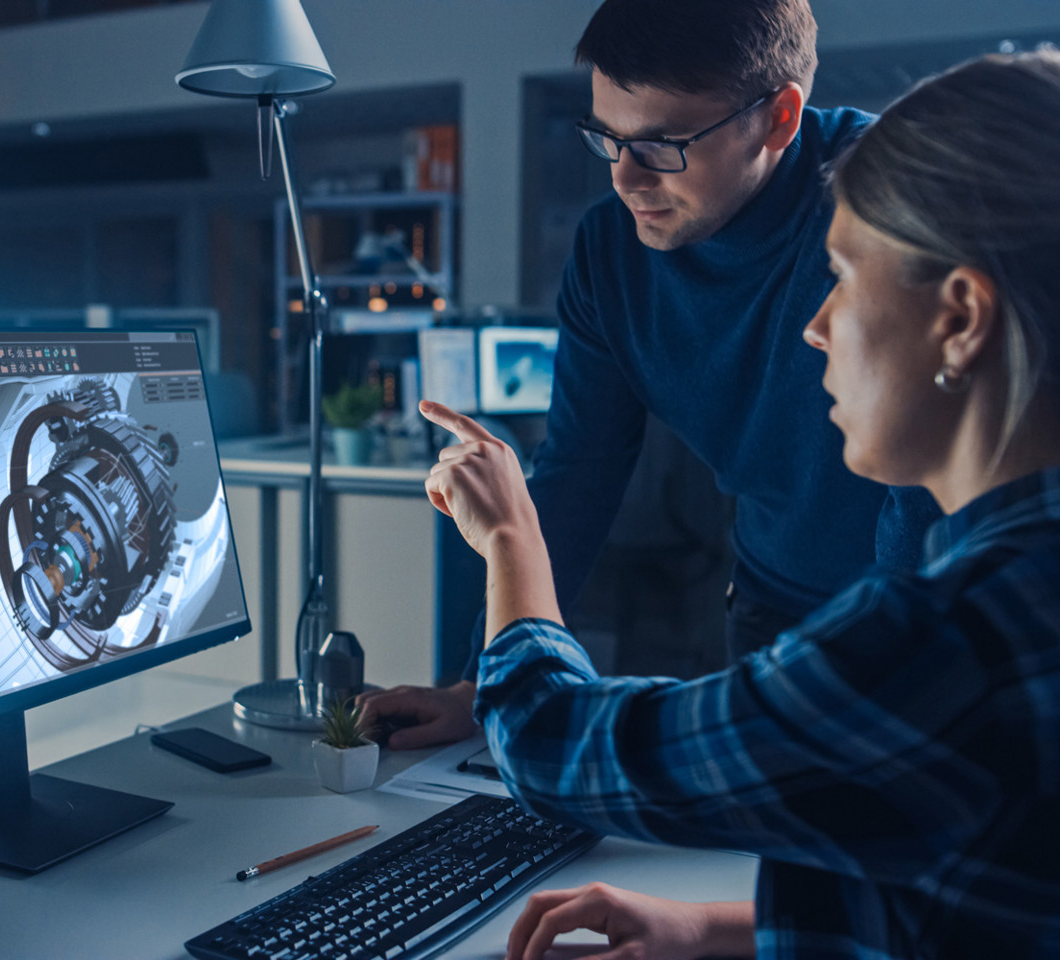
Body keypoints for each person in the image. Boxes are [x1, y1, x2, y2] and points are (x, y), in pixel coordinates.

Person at [422, 49, 1060, 959]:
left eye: (844, 276)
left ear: (959, 317)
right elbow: (966, 892)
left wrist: (509, 532)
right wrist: (719, 929)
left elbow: (551, 744)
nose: (816, 323)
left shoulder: (943, 647)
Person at [359, 0, 940, 750]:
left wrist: (906, 671)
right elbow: (579, 470)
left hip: (920, 607)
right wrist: (481, 682)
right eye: (608, 139)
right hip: (771, 603)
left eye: (663, 145)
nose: (627, 180)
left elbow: (928, 484)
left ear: (778, 118)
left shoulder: (891, 208)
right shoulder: (610, 255)